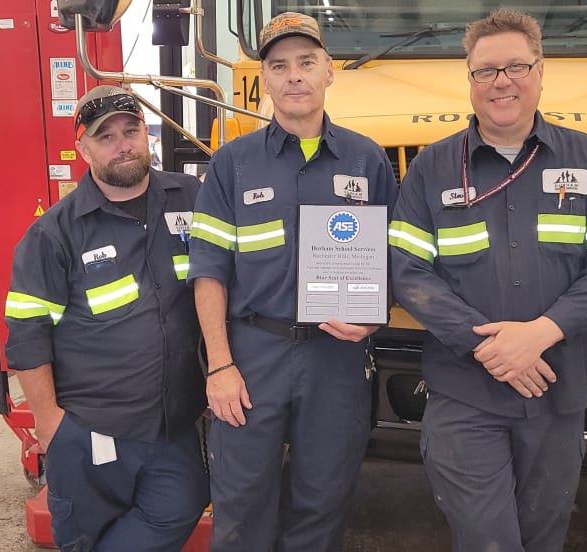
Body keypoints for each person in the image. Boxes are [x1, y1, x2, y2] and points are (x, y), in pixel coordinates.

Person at [388, 9, 587, 551]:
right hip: (465, 397)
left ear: (540, 72)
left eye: (516, 67)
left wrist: (540, 333)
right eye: (486, 70)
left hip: (556, 393)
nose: (501, 81)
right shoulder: (431, 168)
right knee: (488, 540)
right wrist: (489, 346)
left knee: (543, 538)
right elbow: (407, 271)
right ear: (471, 79)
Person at [187, 12, 398, 552]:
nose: (294, 76)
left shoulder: (368, 159)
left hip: (337, 360)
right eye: (279, 66)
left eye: (306, 62)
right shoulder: (231, 164)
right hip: (251, 357)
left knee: (323, 504)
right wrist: (219, 366)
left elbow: (395, 257)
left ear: (329, 71)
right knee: (241, 507)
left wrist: (375, 315)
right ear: (265, 79)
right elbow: (208, 269)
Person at [3, 85, 209, 551]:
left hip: (172, 422)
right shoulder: (54, 234)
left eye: (131, 131)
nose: (123, 145)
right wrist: (50, 424)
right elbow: (28, 335)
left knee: (181, 505)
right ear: (84, 149)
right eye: (106, 136)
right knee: (84, 535)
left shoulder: (189, 197)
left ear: (146, 135)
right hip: (91, 426)